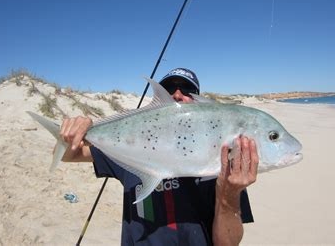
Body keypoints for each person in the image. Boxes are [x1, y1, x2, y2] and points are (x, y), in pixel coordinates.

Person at [60, 68, 258, 245]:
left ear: (200, 103)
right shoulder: (133, 144)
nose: (178, 94)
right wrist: (73, 133)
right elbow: (70, 155)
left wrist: (229, 194)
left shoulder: (223, 162)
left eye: (188, 90)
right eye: (169, 88)